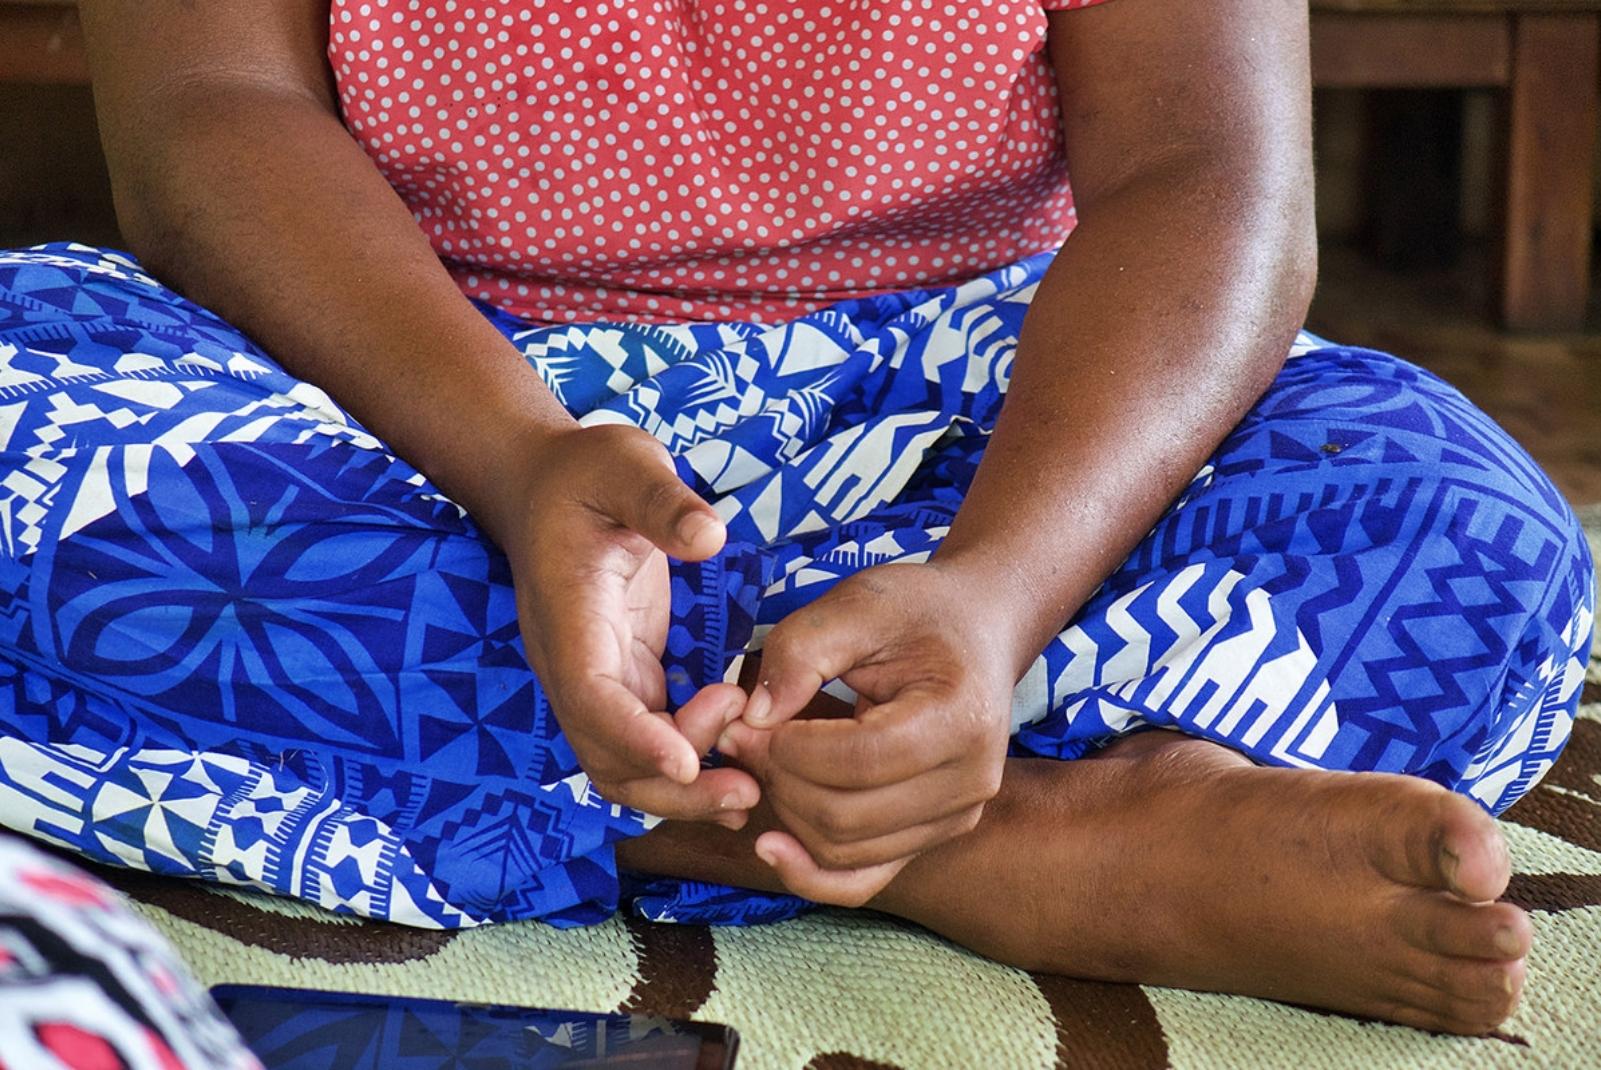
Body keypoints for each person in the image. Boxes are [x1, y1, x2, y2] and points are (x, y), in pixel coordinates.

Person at [0, 0, 1590, 1039]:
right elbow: (207, 109)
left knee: (1470, 536)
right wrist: (518, 460)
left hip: (982, 396)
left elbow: (1209, 169)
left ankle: (724, 774)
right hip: (402, 391)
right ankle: (993, 835)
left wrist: (997, 594)